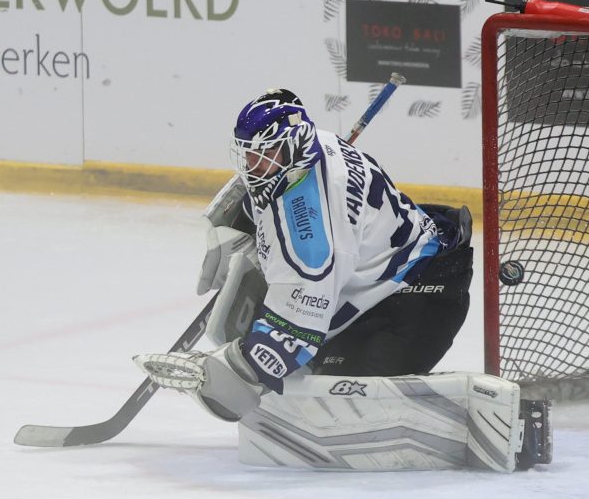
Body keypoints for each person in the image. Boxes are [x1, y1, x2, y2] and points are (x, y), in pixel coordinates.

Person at [179, 88, 474, 419]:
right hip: (394, 271)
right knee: (306, 374)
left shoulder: (310, 230)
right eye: (248, 154)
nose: (251, 165)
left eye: (262, 155)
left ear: (290, 147)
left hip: (420, 299)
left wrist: (241, 369)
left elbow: (295, 332)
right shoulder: (316, 142)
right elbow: (261, 191)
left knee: (332, 405)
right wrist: (236, 220)